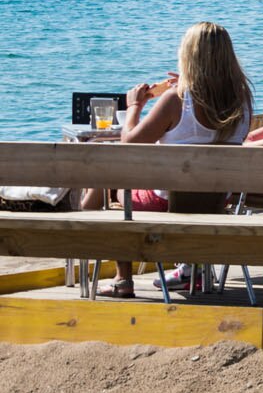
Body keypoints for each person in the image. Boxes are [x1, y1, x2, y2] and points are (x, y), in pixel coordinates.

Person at [88, 21, 254, 298]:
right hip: (216, 201)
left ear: (188, 56)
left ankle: (121, 279)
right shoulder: (243, 100)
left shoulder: (176, 101)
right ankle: (192, 268)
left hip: (167, 202)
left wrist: (135, 107)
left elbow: (129, 143)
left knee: (111, 185)